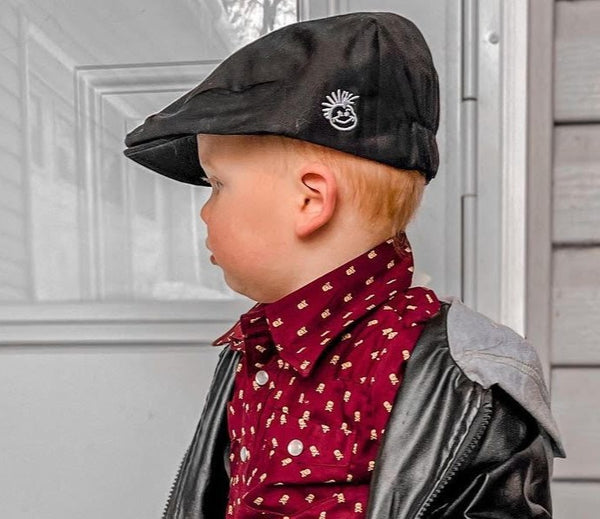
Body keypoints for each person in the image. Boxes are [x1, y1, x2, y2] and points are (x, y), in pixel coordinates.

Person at [123, 12, 565, 519]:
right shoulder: (258, 348)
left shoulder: (469, 381)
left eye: (218, 185)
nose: (205, 212)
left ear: (311, 200)